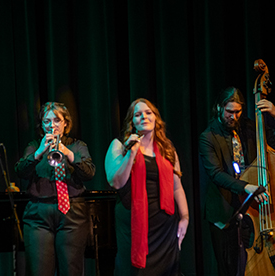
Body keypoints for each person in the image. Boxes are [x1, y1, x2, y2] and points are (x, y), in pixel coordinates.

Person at [199, 86, 275, 276]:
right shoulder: (208, 137)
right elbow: (216, 174)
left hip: (255, 210)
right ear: (219, 108)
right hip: (224, 212)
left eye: (238, 112)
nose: (233, 117)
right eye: (229, 112)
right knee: (229, 268)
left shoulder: (251, 128)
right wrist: (248, 187)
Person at [105, 98, 189, 275]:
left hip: (164, 228)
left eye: (148, 112)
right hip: (133, 224)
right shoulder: (119, 145)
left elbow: (177, 186)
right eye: (138, 114)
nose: (144, 117)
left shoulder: (167, 149)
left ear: (156, 118)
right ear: (132, 122)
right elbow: (116, 182)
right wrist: (131, 154)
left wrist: (185, 217)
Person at [15, 102, 95, 276]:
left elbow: (89, 173)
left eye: (57, 120)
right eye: (47, 121)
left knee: (71, 270)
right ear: (42, 125)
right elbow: (20, 171)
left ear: (65, 123)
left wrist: (67, 153)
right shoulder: (35, 145)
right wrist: (39, 153)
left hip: (72, 214)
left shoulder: (77, 145)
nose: (52, 125)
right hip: (39, 215)